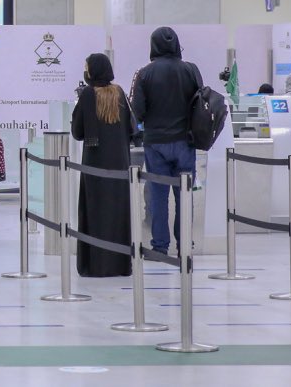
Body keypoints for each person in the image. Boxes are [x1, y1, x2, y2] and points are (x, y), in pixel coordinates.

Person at [131, 26, 203, 256]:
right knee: (185, 194)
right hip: (185, 141)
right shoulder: (191, 70)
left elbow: (137, 111)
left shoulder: (144, 73)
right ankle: (184, 244)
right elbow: (201, 104)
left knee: (158, 196)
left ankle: (160, 246)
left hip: (156, 142)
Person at [71, 54, 133, 277]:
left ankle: (96, 265)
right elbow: (131, 128)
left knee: (95, 212)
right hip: (120, 164)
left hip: (95, 165)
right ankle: (119, 264)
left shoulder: (88, 95)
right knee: (118, 213)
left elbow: (78, 132)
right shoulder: (119, 93)